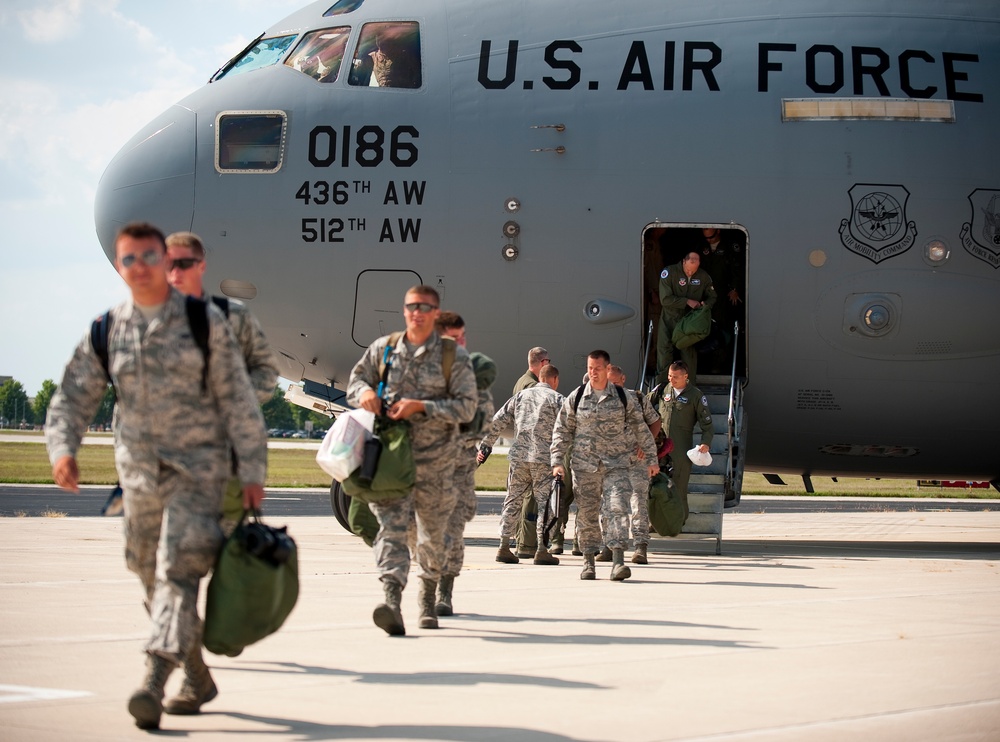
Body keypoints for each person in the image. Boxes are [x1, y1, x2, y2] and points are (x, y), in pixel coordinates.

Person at [44, 222, 268, 730]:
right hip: (138, 476)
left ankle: (153, 676)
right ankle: (196, 673)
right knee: (144, 569)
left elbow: (240, 399)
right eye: (132, 259)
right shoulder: (107, 329)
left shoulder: (204, 322)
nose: (144, 267)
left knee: (177, 571)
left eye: (151, 256)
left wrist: (251, 469)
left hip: (199, 471)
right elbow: (73, 395)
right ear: (121, 267)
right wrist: (63, 449)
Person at [346, 286, 477, 635]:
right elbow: (356, 380)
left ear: (435, 313)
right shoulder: (384, 349)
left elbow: (466, 407)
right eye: (411, 306)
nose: (417, 312)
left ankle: (427, 597)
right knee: (392, 530)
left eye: (425, 307)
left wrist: (422, 407)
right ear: (404, 310)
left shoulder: (453, 357)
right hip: (391, 461)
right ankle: (391, 601)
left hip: (437, 465)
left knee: (432, 537)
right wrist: (366, 392)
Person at [551, 350, 658, 581]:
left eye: (597, 368)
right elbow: (562, 430)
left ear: (607, 369)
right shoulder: (577, 396)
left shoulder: (622, 396)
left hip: (616, 465)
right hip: (584, 466)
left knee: (618, 509)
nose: (593, 373)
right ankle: (588, 562)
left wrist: (651, 458)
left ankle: (618, 562)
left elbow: (641, 427)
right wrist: (557, 462)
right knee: (587, 514)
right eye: (589, 368)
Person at [433, 311, 496, 616]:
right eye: (453, 340)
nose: (461, 344)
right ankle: (424, 591)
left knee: (453, 531)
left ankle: (445, 591)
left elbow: (484, 420)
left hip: (458, 468)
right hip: (425, 469)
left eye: (462, 338)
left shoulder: (474, 377)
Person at [480, 363, 563, 566]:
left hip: (519, 457)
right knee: (545, 504)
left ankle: (503, 545)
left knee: (512, 500)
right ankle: (542, 549)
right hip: (543, 459)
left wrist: (485, 445)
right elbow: (570, 426)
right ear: (554, 380)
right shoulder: (558, 399)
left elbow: (498, 420)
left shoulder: (521, 396)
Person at [607, 365, 661, 565]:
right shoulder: (602, 401)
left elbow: (656, 422)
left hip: (637, 461)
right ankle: (611, 546)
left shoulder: (637, 398)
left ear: (623, 378)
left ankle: (640, 546)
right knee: (612, 504)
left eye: (615, 381)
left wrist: (647, 445)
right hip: (613, 460)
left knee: (639, 502)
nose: (613, 386)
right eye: (609, 382)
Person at [656, 361, 714, 513]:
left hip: (680, 448)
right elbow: (644, 404)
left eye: (675, 377)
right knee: (657, 485)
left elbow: (707, 424)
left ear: (685, 377)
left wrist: (705, 442)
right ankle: (657, 521)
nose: (671, 379)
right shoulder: (663, 390)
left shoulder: (695, 395)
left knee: (678, 486)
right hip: (661, 446)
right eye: (669, 376)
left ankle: (679, 520)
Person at [511, 346, 550, 556]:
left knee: (520, 496)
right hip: (531, 449)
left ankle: (520, 541)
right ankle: (526, 545)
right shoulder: (533, 386)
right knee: (531, 498)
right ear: (543, 363)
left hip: (521, 447)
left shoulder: (521, 382)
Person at [657, 251, 717, 385]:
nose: (690, 273)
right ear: (684, 262)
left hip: (689, 322)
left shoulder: (703, 276)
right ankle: (661, 387)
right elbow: (665, 299)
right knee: (664, 352)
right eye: (688, 270)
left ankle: (689, 388)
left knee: (688, 354)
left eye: (693, 271)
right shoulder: (669, 273)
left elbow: (712, 296)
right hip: (669, 319)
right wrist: (687, 301)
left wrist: (705, 305)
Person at [696, 228, 745, 373]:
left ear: (718, 232)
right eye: (706, 238)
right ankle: (704, 365)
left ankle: (718, 366)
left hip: (723, 296)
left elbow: (737, 268)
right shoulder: (701, 247)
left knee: (722, 330)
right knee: (704, 329)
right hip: (705, 297)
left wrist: (735, 289)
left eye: (711, 237)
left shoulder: (730, 247)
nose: (709, 240)